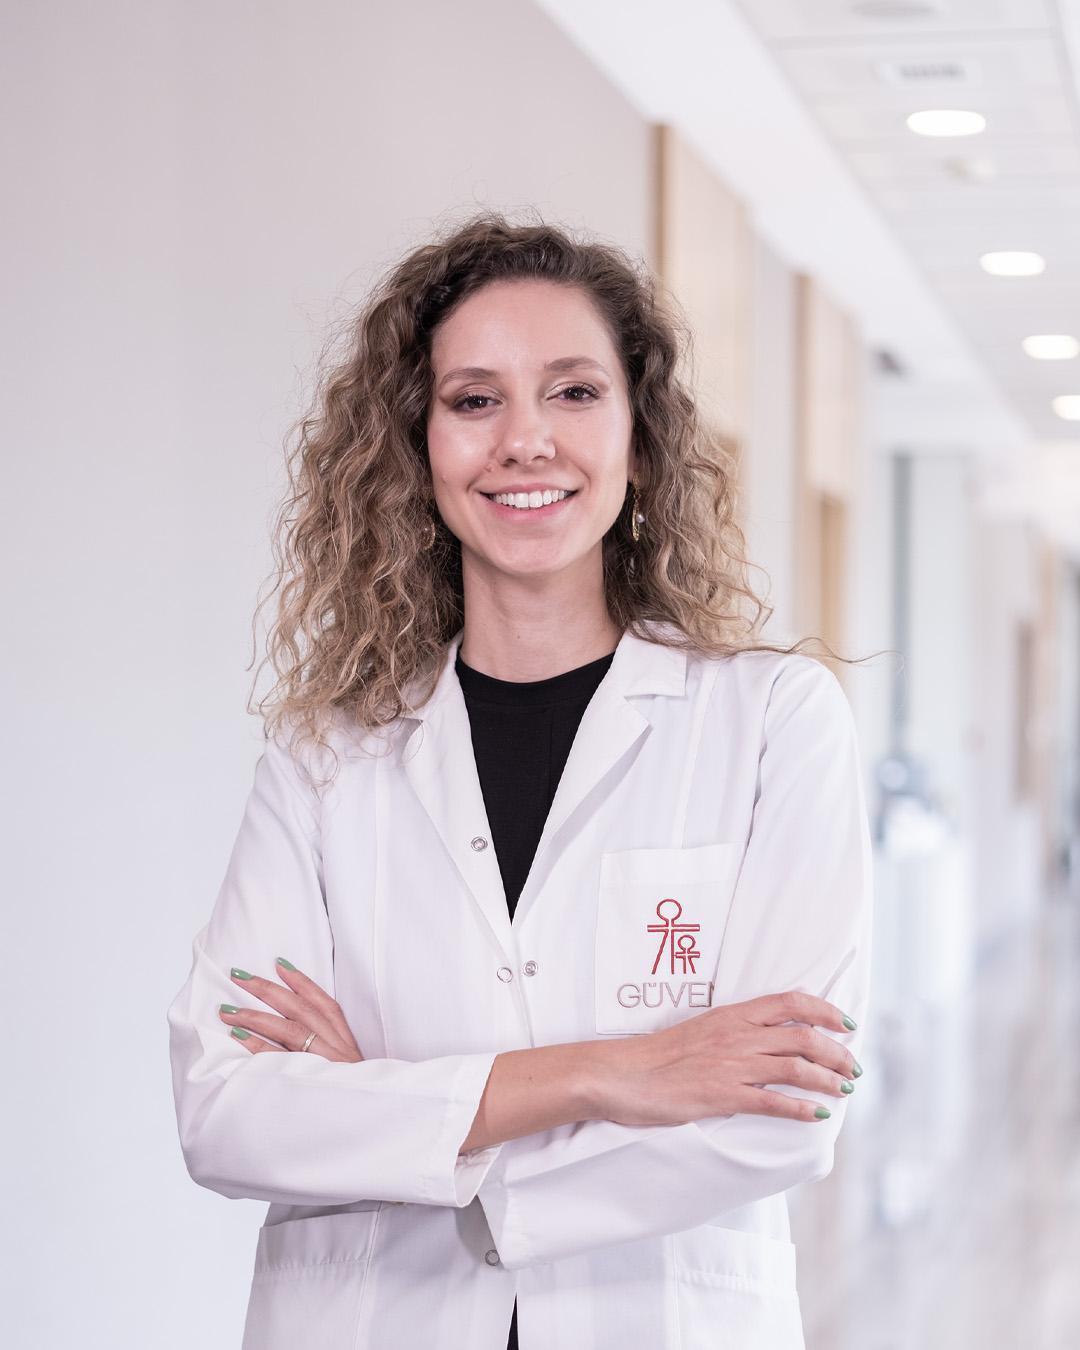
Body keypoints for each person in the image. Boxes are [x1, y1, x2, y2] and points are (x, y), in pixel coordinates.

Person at [166, 211, 873, 1350]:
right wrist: (617, 1073)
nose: (526, 441)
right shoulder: (327, 757)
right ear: (417, 446)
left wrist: (400, 1119)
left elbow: (785, 1109)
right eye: (474, 400)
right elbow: (226, 1112)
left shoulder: (772, 724)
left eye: (574, 392)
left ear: (640, 438)